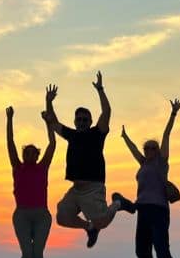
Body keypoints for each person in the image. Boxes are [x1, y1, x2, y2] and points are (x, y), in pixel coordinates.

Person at [42, 71, 121, 248]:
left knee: (102, 221)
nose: (82, 121)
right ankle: (90, 227)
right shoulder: (72, 135)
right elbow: (53, 122)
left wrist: (100, 89)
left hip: (93, 188)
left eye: (85, 119)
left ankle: (118, 203)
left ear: (91, 121)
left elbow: (107, 111)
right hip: (76, 190)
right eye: (79, 119)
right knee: (62, 217)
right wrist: (48, 101)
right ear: (75, 121)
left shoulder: (97, 133)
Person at [116, 99, 180, 258]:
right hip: (143, 210)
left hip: (159, 210)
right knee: (142, 250)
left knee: (162, 249)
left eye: (153, 148)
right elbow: (133, 150)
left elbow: (166, 135)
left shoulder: (161, 163)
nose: (150, 150)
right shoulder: (143, 163)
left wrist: (173, 114)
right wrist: (124, 137)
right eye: (147, 148)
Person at [5, 86, 56, 258]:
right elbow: (10, 143)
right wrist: (10, 119)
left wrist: (48, 122)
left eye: (33, 153)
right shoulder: (18, 167)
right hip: (22, 214)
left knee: (38, 253)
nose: (30, 155)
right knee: (27, 253)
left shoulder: (42, 167)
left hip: (41, 214)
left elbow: (53, 144)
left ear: (37, 155)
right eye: (27, 152)